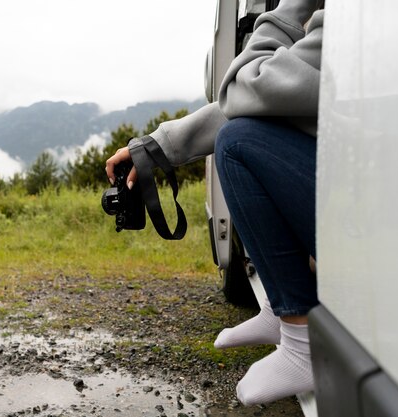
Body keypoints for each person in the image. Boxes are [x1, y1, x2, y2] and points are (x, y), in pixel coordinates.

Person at [105, 0, 325, 406]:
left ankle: (301, 341)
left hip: (386, 224)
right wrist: (153, 149)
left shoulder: (354, 20)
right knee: (241, 136)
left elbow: (247, 87)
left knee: (238, 144)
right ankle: (282, 311)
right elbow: (264, 101)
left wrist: (290, 8)